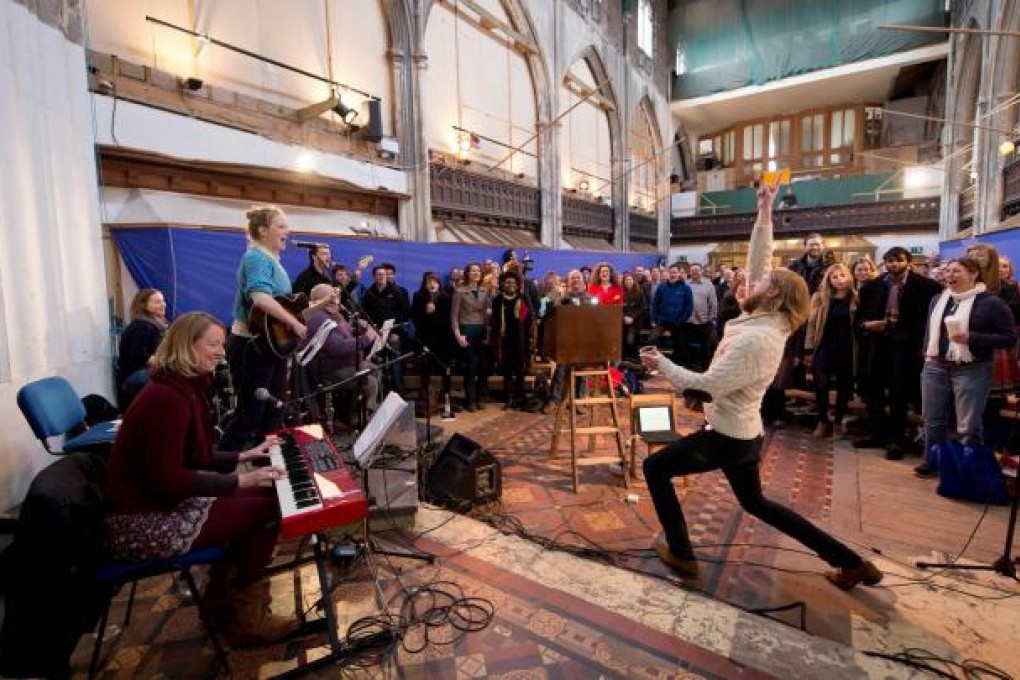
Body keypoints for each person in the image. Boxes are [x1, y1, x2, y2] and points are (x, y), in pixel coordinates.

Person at [639, 184, 882, 592]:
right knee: (758, 504)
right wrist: (765, 213)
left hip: (727, 438)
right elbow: (760, 258)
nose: (750, 280)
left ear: (772, 293)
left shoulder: (760, 338)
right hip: (743, 434)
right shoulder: (767, 317)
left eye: (761, 280)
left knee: (655, 467)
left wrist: (660, 363)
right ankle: (852, 563)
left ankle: (681, 552)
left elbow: (710, 385)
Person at [104, 312, 295, 647]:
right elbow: (169, 481)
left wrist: (244, 457)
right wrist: (241, 482)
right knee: (267, 508)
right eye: (214, 344)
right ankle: (243, 619)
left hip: (157, 504)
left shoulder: (181, 386)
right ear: (186, 346)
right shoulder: (168, 398)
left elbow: (195, 458)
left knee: (266, 498)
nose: (222, 352)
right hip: (142, 520)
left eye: (222, 344)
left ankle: (219, 603)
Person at [914, 258, 1017, 478]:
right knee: (933, 419)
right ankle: (932, 460)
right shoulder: (937, 299)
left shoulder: (991, 302)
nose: (949, 275)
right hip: (935, 365)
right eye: (948, 271)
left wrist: (972, 337)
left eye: (956, 271)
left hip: (972, 368)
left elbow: (1009, 337)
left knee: (968, 425)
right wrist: (926, 351)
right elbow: (929, 330)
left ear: (973, 274)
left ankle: (969, 470)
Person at [220, 205, 306, 452]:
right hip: (251, 346)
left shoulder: (272, 260)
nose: (286, 232)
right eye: (280, 226)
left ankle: (269, 466)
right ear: (262, 230)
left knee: (274, 408)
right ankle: (220, 471)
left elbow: (279, 308)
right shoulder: (256, 257)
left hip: (268, 345)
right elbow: (260, 299)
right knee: (250, 413)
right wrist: (294, 323)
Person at [854, 247, 943, 460]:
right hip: (877, 344)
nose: (893, 264)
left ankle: (896, 440)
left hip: (906, 347)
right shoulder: (872, 286)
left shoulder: (927, 286)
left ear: (908, 261)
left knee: (899, 394)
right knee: (873, 391)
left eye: (898, 260)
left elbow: (930, 321)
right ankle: (876, 434)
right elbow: (859, 318)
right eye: (889, 261)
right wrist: (867, 325)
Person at [300, 284, 380, 427]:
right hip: (331, 370)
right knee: (371, 382)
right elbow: (337, 348)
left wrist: (359, 329)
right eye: (333, 297)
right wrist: (366, 339)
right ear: (321, 300)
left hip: (347, 364)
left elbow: (347, 335)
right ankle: (362, 418)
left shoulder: (335, 316)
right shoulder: (319, 318)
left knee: (375, 369)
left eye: (337, 296)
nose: (337, 299)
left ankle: (352, 412)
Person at [804, 264, 857, 437]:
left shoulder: (855, 297)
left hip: (847, 347)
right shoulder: (820, 297)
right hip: (824, 346)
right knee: (821, 385)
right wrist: (809, 348)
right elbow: (811, 325)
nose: (839, 280)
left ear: (848, 277)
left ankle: (838, 421)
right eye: (834, 277)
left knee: (844, 386)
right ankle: (822, 420)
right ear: (829, 280)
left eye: (842, 275)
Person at [361, 263, 411, 395]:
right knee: (377, 365)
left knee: (395, 365)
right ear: (374, 277)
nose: (381, 277)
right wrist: (370, 330)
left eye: (383, 274)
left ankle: (398, 393)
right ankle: (379, 395)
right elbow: (364, 313)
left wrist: (397, 332)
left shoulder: (398, 292)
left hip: (393, 334)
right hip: (375, 335)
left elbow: (405, 313)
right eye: (378, 274)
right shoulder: (368, 293)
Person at [410, 272, 456, 410]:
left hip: (443, 339)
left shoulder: (446, 298)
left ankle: (446, 395)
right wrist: (426, 313)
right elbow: (414, 317)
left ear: (439, 283)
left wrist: (435, 312)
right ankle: (425, 397)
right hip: (425, 338)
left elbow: (450, 319)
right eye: (428, 281)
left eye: (434, 281)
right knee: (425, 367)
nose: (432, 284)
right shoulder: (418, 297)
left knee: (444, 367)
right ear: (425, 284)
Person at [117, 288, 168, 409]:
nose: (163, 304)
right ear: (143, 305)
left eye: (163, 301)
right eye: (157, 302)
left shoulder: (155, 325)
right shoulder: (143, 327)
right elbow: (139, 357)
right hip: (135, 376)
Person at [451, 262, 492, 412]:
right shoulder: (459, 291)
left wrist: (488, 332)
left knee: (483, 367)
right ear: (467, 273)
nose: (476, 273)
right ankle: (470, 400)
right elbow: (454, 317)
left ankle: (481, 397)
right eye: (473, 271)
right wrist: (458, 336)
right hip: (466, 332)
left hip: (481, 333)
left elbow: (486, 315)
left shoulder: (485, 290)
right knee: (470, 367)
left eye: (478, 271)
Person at [489, 270, 533, 410]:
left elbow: (529, 318)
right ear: (502, 284)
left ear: (517, 284)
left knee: (520, 371)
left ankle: (519, 398)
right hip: (504, 341)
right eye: (507, 282)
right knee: (506, 371)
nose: (510, 284)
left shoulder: (522, 299)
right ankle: (508, 398)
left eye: (513, 282)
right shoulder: (497, 300)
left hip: (520, 341)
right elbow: (494, 322)